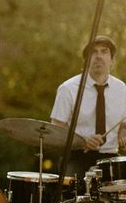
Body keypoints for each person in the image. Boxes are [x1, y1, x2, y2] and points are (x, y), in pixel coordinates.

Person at [51, 35, 126, 179]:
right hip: (77, 157)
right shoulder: (68, 89)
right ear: (86, 60)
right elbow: (55, 131)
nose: (99, 56)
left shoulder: (122, 90)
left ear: (112, 60)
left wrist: (123, 133)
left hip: (111, 158)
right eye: (94, 52)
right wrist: (82, 140)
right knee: (74, 193)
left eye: (104, 52)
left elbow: (123, 124)